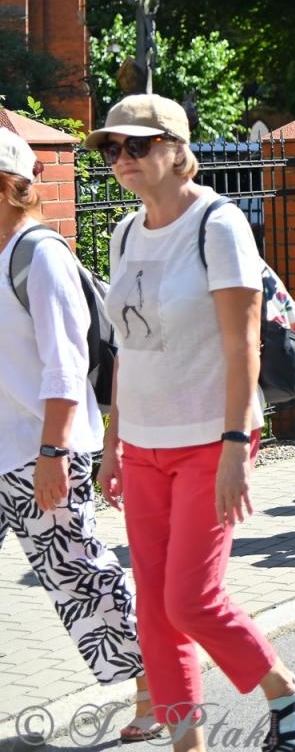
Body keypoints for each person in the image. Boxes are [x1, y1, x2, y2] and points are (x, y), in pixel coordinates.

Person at [91, 95, 295, 750]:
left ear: (176, 148)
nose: (122, 158)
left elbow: (243, 341)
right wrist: (113, 442)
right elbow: (126, 349)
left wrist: (236, 443)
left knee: (189, 600)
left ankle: (284, 687)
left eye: (136, 145)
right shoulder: (125, 233)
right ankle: (186, 743)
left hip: (207, 441)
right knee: (156, 610)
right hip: (143, 445)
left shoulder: (216, 225)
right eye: (112, 147)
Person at [0, 129, 155, 744]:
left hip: (41, 449)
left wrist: (54, 453)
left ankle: (158, 687)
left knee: (81, 576)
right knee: (81, 573)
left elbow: (65, 366)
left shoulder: (40, 256)